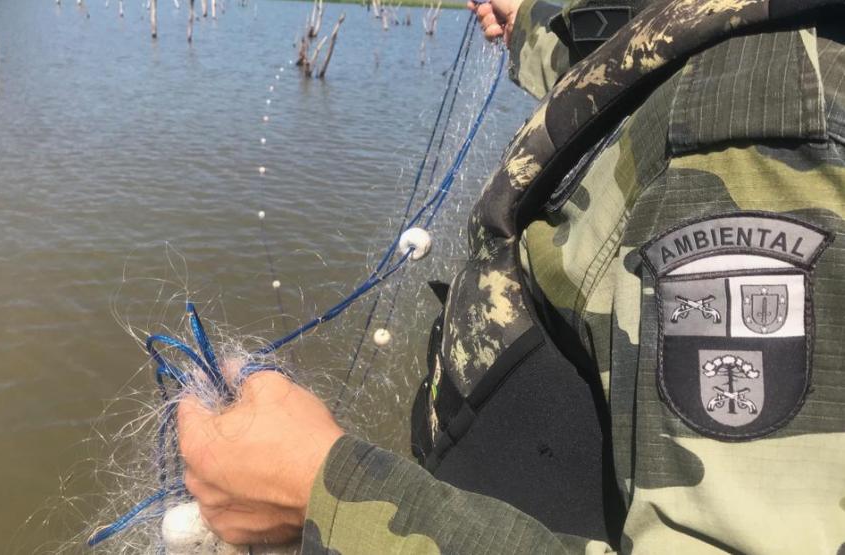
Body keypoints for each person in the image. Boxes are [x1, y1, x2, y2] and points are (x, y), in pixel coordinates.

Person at [178, 0, 845, 552]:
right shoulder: (721, 58)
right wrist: (533, 19)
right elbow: (627, 63)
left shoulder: (756, 114)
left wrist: (322, 490)